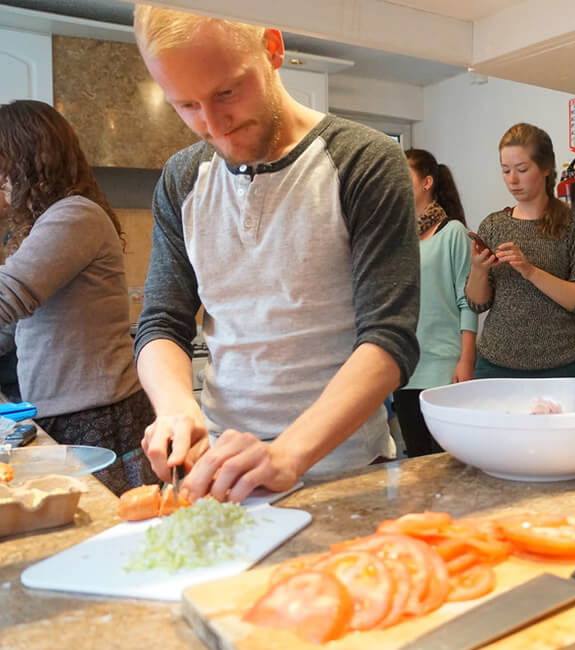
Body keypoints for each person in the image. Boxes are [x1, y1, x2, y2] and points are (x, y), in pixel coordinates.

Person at [131, 6, 420, 503]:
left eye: (227, 92)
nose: (214, 124)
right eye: (186, 105)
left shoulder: (364, 162)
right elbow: (161, 322)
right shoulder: (182, 179)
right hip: (224, 474)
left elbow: (389, 339)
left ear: (273, 47)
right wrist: (177, 407)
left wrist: (287, 454)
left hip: (347, 471)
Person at [0, 100, 157, 494]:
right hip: (71, 411)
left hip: (99, 416)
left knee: (115, 535)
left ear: (27, 160)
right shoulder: (54, 220)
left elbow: (9, 295)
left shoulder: (74, 215)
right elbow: (17, 327)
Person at [465, 123, 575, 379]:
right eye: (505, 171)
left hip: (560, 367)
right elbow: (476, 303)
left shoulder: (574, 225)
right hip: (495, 365)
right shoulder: (494, 224)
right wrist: (478, 269)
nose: (512, 180)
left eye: (522, 169)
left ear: (546, 168)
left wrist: (530, 271)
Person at [392, 148, 476, 457]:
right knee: (414, 461)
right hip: (405, 368)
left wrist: (466, 361)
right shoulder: (398, 237)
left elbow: (468, 302)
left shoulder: (452, 232)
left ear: (427, 182)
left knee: (447, 463)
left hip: (444, 368)